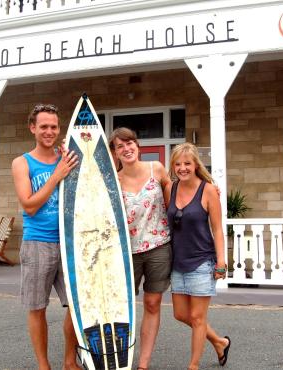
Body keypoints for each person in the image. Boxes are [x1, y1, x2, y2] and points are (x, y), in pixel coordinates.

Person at [11, 103, 81, 370]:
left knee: (77, 305)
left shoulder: (68, 158)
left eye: (53, 126)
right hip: (37, 242)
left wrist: (67, 163)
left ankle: (69, 361)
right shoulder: (22, 163)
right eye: (43, 127)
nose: (49, 131)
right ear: (33, 128)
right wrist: (56, 176)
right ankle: (43, 365)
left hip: (68, 241)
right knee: (37, 307)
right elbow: (29, 204)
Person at [109, 127, 172, 370]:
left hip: (159, 247)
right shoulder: (114, 180)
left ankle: (143, 364)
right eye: (119, 146)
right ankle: (119, 359)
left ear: (137, 145)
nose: (126, 149)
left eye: (129, 143)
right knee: (123, 307)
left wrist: (207, 188)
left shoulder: (156, 168)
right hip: (127, 253)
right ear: (114, 153)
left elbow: (176, 197)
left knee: (153, 304)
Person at [164, 143, 231, 370]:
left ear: (195, 166)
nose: (182, 168)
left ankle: (193, 365)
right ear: (173, 166)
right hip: (178, 262)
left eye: (187, 163)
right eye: (178, 164)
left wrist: (221, 262)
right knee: (181, 315)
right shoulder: (170, 189)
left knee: (198, 317)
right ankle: (219, 342)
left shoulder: (208, 190)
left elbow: (218, 229)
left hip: (202, 261)